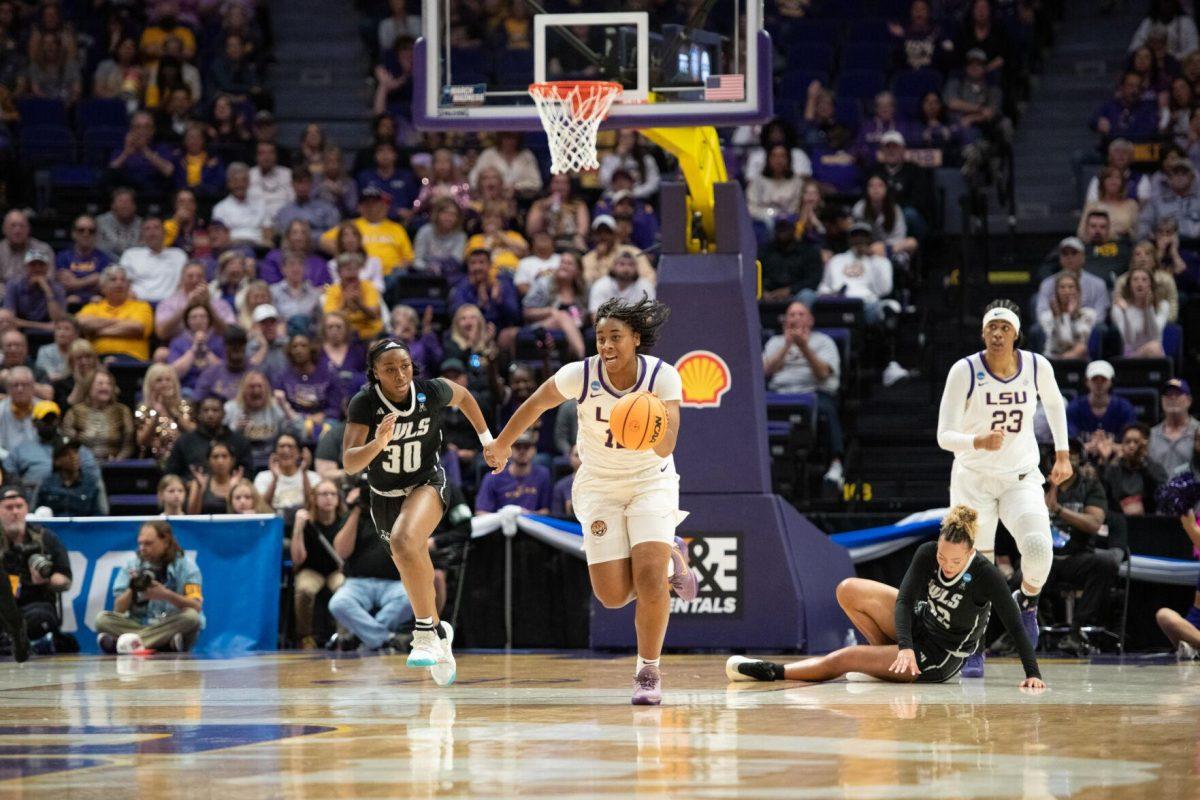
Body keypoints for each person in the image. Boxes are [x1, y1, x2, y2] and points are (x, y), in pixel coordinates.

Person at [484, 297, 699, 705]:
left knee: (651, 578)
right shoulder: (579, 376)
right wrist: (502, 442)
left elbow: (668, 444)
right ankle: (673, 552)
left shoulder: (662, 377)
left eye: (615, 337)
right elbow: (535, 404)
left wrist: (648, 420)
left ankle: (647, 671)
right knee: (612, 596)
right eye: (600, 338)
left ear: (636, 338)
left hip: (649, 483)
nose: (606, 345)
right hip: (599, 486)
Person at [726, 506, 1045, 688]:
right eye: (943, 558)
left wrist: (1033, 674)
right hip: (921, 624)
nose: (946, 566)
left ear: (971, 553)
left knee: (847, 658)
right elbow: (906, 600)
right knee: (848, 590)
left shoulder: (986, 575)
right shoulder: (927, 553)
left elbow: (1015, 623)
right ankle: (883, 662)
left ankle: (773, 670)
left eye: (955, 562)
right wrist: (904, 646)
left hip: (940, 656)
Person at [342, 338, 495, 684]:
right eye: (390, 369)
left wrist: (488, 441)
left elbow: (466, 398)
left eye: (405, 366)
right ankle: (441, 634)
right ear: (375, 373)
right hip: (383, 494)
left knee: (405, 538)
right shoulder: (365, 403)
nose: (400, 374)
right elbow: (350, 463)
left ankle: (424, 632)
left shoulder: (431, 391)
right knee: (409, 555)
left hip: (427, 482)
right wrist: (377, 444)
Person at [935, 300, 1072, 678]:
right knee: (974, 568)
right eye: (991, 327)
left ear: (1016, 334)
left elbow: (1056, 404)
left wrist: (1062, 454)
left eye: (1004, 328)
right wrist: (977, 440)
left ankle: (1026, 602)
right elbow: (943, 436)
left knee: (1039, 548)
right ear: (983, 333)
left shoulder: (1035, 365)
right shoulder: (964, 370)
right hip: (972, 479)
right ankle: (972, 644)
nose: (997, 333)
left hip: (1020, 476)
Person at [1043, 438, 1119, 651]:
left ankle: (1076, 630)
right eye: (1061, 455)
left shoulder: (1090, 486)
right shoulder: (1037, 485)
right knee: (1020, 574)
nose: (1067, 459)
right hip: (1045, 558)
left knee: (1106, 563)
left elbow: (1094, 523)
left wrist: (1058, 510)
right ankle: (1016, 635)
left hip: (1076, 557)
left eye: (1072, 454)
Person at [762, 301, 845, 486]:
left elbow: (823, 373)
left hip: (813, 392)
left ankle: (836, 465)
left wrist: (804, 347)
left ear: (811, 320)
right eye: (792, 315)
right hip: (780, 393)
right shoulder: (775, 342)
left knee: (826, 409)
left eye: (801, 314)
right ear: (785, 321)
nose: (796, 318)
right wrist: (787, 345)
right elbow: (764, 371)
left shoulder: (824, 342)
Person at [94, 520, 203, 653]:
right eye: (140, 543)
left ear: (166, 542)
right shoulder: (132, 565)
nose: (142, 548)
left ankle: (126, 643)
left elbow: (196, 606)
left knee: (191, 618)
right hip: (141, 624)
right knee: (101, 619)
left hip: (169, 624)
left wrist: (166, 595)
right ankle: (162, 644)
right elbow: (118, 609)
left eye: (148, 543)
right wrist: (132, 587)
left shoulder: (187, 567)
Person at [327, 486, 410, 652]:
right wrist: (357, 509)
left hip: (394, 582)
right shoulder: (355, 515)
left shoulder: (400, 511)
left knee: (412, 600)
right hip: (358, 582)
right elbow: (342, 552)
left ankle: (360, 637)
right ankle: (386, 639)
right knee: (338, 604)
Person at [0, 486, 71, 655]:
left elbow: (66, 579)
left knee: (42, 616)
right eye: (9, 508)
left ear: (26, 509)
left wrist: (47, 579)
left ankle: (15, 642)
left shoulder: (46, 538)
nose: (15, 512)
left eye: (19, 506)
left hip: (34, 606)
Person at [290, 479, 348, 648]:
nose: (328, 498)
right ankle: (305, 636)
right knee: (304, 590)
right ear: (314, 498)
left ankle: (343, 636)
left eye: (332, 494)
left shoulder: (344, 521)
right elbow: (297, 559)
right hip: (310, 569)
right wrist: (298, 528)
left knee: (344, 590)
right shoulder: (307, 522)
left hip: (335, 570)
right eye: (323, 494)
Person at [3, 400, 101, 496]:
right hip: (33, 499)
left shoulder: (73, 447)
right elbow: (8, 477)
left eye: (53, 420)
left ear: (59, 421)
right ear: (34, 422)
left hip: (71, 499)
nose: (49, 424)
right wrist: (24, 487)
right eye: (45, 420)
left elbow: (92, 473)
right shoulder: (22, 450)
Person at [816, 223, 894, 324]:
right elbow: (824, 286)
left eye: (863, 236)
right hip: (839, 304)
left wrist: (873, 260)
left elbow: (884, 289)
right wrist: (828, 294)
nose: (859, 239)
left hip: (866, 304)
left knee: (886, 308)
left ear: (870, 239)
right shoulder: (837, 260)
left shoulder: (881, 261)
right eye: (855, 236)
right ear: (850, 239)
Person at [76, 266, 155, 361]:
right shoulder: (92, 307)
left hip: (133, 361)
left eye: (123, 280)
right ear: (103, 287)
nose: (119, 283)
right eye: (113, 280)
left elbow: (137, 327)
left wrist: (98, 332)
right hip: (98, 361)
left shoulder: (141, 306)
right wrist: (124, 322)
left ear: (129, 286)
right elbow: (82, 323)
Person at [61, 368, 135, 461]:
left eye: (109, 384)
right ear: (89, 387)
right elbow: (68, 442)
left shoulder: (122, 411)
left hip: (115, 466)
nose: (105, 387)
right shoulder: (75, 412)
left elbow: (129, 444)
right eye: (100, 383)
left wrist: (117, 461)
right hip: (83, 466)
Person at [1154, 510, 1200, 656]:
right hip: (1194, 628)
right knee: (1164, 615)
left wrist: (1190, 526)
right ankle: (1194, 645)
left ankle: (1193, 647)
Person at [474, 431, 551, 514]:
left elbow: (547, 511)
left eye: (527, 447)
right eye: (517, 447)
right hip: (501, 524)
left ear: (534, 450)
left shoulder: (543, 475)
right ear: (509, 450)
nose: (522, 451)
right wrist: (504, 517)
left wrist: (527, 515)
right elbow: (481, 512)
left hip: (531, 524)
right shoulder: (492, 477)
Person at [225, 371, 292, 463]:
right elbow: (220, 440)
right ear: (243, 390)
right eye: (251, 387)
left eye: (260, 386)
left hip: (271, 461)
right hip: (240, 461)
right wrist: (235, 429)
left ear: (267, 390)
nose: (256, 390)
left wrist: (285, 408)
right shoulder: (230, 408)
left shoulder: (276, 408)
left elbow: (294, 434)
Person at [1102, 423, 1166, 515]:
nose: (1131, 446)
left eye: (1136, 442)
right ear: (1122, 444)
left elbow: (1160, 488)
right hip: (1119, 518)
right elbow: (1107, 492)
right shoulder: (1114, 467)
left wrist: (1143, 463)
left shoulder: (1154, 467)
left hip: (1149, 519)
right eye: (1127, 441)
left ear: (1145, 444)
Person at [135, 364, 194, 463]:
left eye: (168, 380)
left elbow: (192, 432)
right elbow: (142, 441)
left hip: (183, 460)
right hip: (151, 460)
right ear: (150, 385)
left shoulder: (183, 406)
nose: (164, 384)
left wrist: (172, 411)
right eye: (159, 380)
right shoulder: (144, 409)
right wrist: (156, 415)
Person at [33, 436, 104, 517]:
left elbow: (98, 515)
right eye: (67, 454)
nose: (74, 457)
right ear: (57, 461)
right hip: (53, 528)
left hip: (83, 528)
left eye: (75, 452)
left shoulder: (90, 484)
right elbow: (35, 513)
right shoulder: (47, 484)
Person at [1067, 360, 1136, 440]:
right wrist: (1088, 447)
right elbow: (1070, 440)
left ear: (1111, 382)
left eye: (1103, 379)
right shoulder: (1074, 407)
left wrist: (1112, 447)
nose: (1099, 383)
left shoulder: (1124, 408)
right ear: (1087, 381)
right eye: (1094, 379)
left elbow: (1131, 441)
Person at [1111, 265, 1168, 358]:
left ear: (1151, 284)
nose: (1140, 283)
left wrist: (1148, 308)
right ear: (1129, 285)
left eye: (1144, 279)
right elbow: (1128, 340)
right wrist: (1125, 312)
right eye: (1135, 279)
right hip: (1132, 355)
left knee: (1154, 347)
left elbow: (1154, 335)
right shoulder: (1120, 307)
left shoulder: (1163, 306)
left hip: (1156, 352)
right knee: (1153, 348)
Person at [55, 215, 110, 309]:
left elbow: (103, 285)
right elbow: (65, 284)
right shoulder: (62, 257)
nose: (86, 234)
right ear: (73, 233)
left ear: (96, 235)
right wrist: (91, 280)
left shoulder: (104, 258)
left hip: (96, 305)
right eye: (81, 230)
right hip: (69, 304)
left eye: (91, 231)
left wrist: (76, 283)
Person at [1038, 271, 1095, 360]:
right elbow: (1065, 342)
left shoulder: (1088, 314)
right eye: (1062, 287)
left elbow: (1080, 345)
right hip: (1052, 358)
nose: (1067, 291)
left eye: (1071, 287)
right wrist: (1060, 317)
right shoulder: (1047, 317)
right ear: (1057, 292)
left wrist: (1069, 315)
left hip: (1079, 360)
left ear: (1078, 291)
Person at [1150, 379, 1199, 477]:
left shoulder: (1198, 431)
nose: (1172, 398)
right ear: (1162, 401)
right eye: (1168, 394)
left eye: (1178, 394)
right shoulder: (1151, 435)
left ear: (1189, 400)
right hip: (1161, 491)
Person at [7, 251, 66, 333]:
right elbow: (9, 319)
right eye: (33, 265)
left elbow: (58, 320)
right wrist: (43, 326)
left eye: (41, 265)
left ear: (47, 267)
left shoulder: (57, 288)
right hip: (20, 330)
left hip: (50, 332)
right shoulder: (14, 285)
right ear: (25, 267)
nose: (37, 269)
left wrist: (47, 290)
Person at [193, 325, 250, 403]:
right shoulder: (210, 374)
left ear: (245, 346)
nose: (236, 348)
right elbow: (197, 402)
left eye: (240, 344)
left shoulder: (255, 373)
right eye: (232, 344)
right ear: (224, 346)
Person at [186, 440, 244, 514]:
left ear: (232, 460)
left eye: (224, 456)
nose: (220, 461)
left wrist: (234, 488)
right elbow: (191, 515)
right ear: (208, 461)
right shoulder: (199, 483)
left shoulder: (240, 483)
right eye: (215, 457)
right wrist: (200, 491)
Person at [95, 188, 142, 259]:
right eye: (120, 201)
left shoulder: (143, 225)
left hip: (135, 264)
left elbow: (143, 250)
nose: (124, 205)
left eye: (128, 201)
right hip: (106, 262)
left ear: (134, 206)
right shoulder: (100, 223)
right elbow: (98, 249)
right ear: (112, 205)